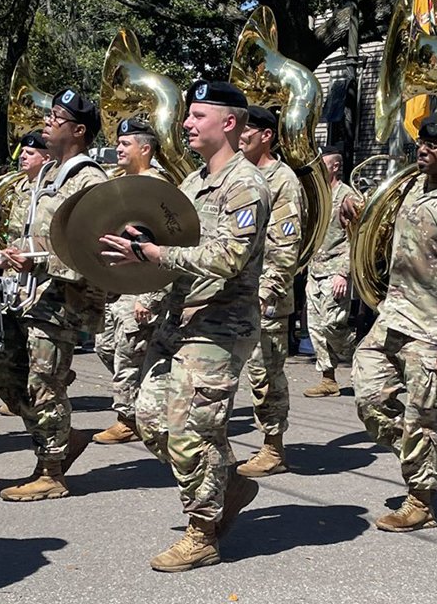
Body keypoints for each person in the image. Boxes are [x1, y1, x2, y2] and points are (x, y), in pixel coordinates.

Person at [100, 80, 268, 572]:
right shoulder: (193, 184)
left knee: (192, 427)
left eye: (198, 116)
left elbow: (228, 257)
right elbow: (171, 253)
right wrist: (145, 263)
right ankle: (228, 486)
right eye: (189, 116)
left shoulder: (245, 184)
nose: (188, 124)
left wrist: (158, 252)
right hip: (180, 319)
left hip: (221, 325)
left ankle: (203, 533)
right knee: (149, 418)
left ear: (229, 123)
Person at [343, 108, 437, 531]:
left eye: (433, 145)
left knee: (424, 417)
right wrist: (359, 220)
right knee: (369, 399)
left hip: (435, 328)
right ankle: (432, 463)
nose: (422, 150)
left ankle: (421, 501)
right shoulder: (418, 185)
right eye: (421, 143)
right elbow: (396, 240)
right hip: (394, 314)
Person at [0, 89, 108, 500]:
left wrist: (37, 263)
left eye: (58, 117)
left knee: (45, 382)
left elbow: (95, 250)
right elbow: (38, 237)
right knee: (4, 369)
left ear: (77, 130)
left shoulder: (90, 179)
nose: (48, 122)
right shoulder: (47, 177)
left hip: (64, 299)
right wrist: (13, 255)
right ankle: (59, 437)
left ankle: (52, 471)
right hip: (31, 294)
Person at [234, 104, 302, 477]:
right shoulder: (239, 175)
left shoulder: (282, 179)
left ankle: (273, 447)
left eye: (248, 130)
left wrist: (266, 292)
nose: (240, 135)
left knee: (265, 373)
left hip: (265, 299)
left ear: (266, 135)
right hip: (234, 294)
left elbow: (284, 245)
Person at [91, 118, 163, 443]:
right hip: (115, 285)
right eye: (118, 143)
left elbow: (168, 245)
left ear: (145, 148)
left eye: (126, 144)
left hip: (141, 285)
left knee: (127, 352)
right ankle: (146, 403)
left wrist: (148, 298)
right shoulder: (120, 182)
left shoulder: (158, 187)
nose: (118, 148)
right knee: (104, 345)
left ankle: (129, 419)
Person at [0, 130, 50, 419]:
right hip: (14, 278)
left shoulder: (50, 190)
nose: (23, 156)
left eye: (31, 152)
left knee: (37, 357)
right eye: (22, 151)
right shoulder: (19, 189)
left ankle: (41, 415)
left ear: (47, 157)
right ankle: (24, 401)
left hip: (39, 279)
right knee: (3, 352)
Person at [304, 145, 361, 397]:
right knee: (315, 327)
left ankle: (362, 357)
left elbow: (356, 238)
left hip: (335, 270)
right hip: (314, 269)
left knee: (332, 323)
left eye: (322, 163)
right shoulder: (317, 196)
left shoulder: (348, 197)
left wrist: (344, 272)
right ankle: (328, 379)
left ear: (336, 166)